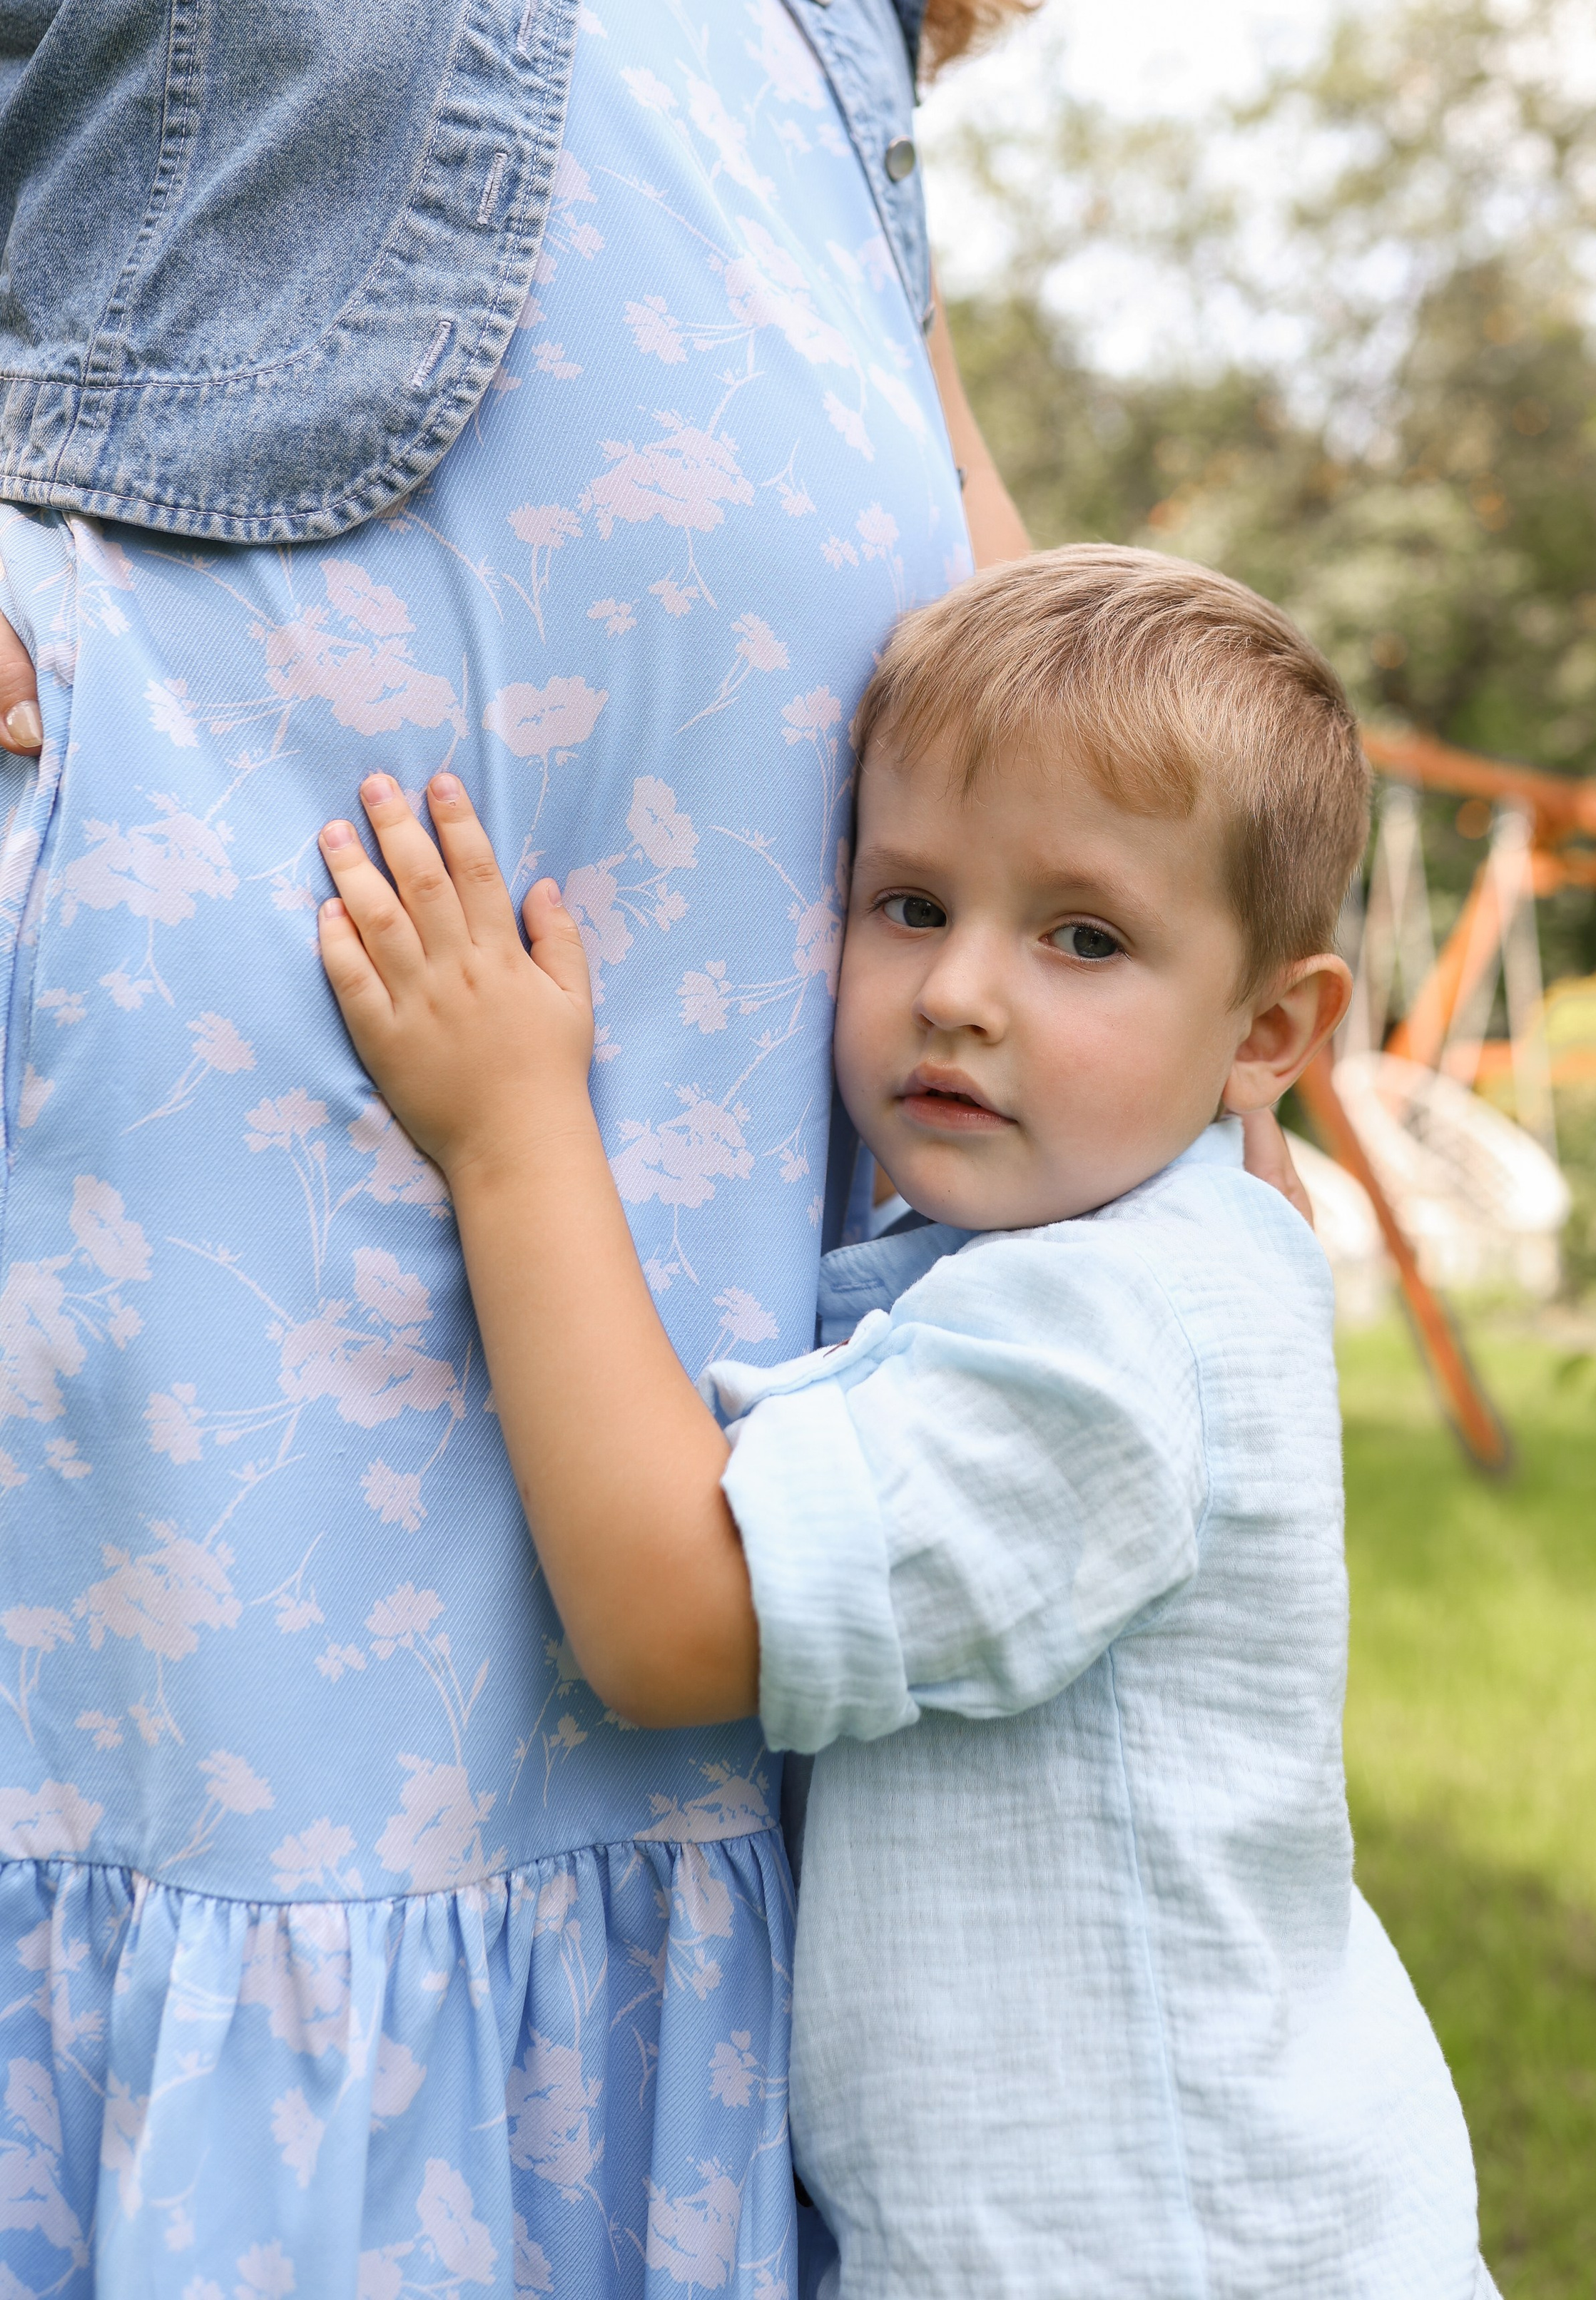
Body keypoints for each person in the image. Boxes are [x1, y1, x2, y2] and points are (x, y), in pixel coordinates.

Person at [0, 0, 1035, 2284]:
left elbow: (916, 422)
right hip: (265, 986)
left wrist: (1160, 904)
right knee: (304, 1836)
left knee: (653, 1763)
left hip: (725, 1076)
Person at [309, 544, 1502, 2300]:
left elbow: (667, 1618)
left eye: (1081, 938)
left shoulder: (1109, 1338)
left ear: (1270, 1030)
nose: (958, 991)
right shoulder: (1150, 1231)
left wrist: (510, 1131)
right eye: (910, 903)